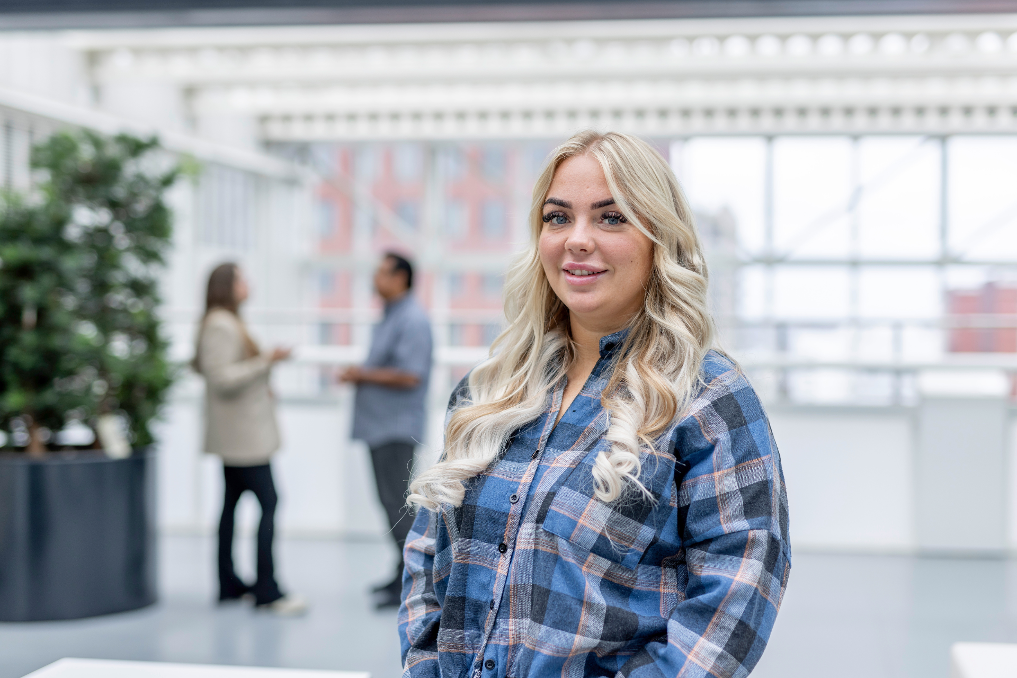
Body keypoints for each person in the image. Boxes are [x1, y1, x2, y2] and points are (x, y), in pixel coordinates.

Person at [399, 132, 790, 678]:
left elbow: (739, 591)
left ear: (659, 237)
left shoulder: (708, 399)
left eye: (611, 218)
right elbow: (426, 557)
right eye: (558, 218)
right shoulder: (487, 391)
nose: (577, 240)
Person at [194, 262, 307, 616]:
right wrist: (266, 362)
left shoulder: (223, 321)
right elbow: (221, 377)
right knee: (269, 501)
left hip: (238, 434)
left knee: (231, 505)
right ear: (228, 285)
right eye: (242, 279)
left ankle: (229, 584)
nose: (248, 284)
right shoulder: (221, 324)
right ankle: (266, 590)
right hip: (242, 437)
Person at [341, 252, 433, 610]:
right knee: (390, 504)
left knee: (398, 507)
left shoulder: (412, 319)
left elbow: (411, 374)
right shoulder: (391, 316)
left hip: (395, 428)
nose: (374, 280)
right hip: (380, 427)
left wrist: (361, 374)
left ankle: (414, 580)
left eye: (382, 273)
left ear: (401, 279)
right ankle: (401, 574)